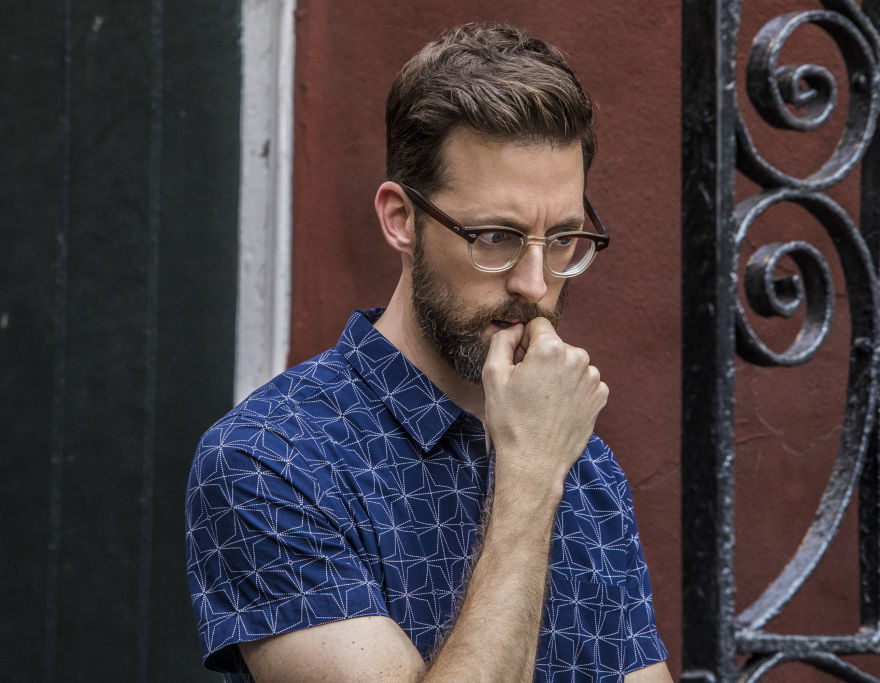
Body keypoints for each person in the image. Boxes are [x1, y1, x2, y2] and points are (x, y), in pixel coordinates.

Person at [186, 23, 670, 682]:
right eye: (495, 236)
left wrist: (545, 461)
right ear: (401, 219)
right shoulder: (271, 459)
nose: (534, 284)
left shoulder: (582, 461)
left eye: (562, 238)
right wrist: (530, 479)